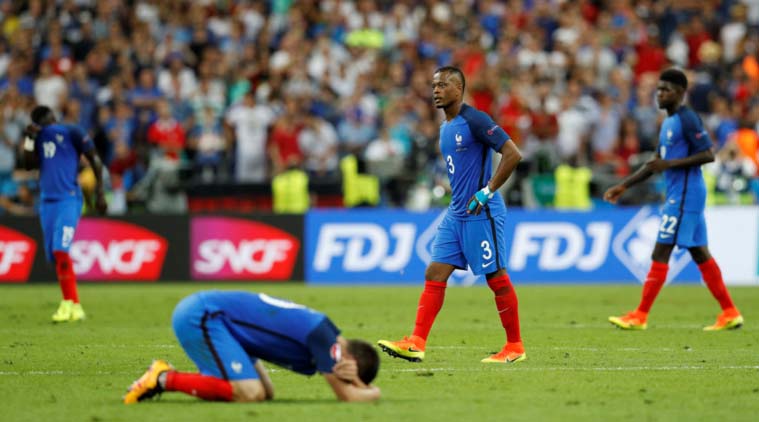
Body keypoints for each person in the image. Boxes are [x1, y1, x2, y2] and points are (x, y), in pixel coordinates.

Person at [377, 66, 525, 363]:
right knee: (434, 272)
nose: (436, 90)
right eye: (434, 85)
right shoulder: (446, 127)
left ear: (459, 89)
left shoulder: (475, 120)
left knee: (495, 275)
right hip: (457, 211)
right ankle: (416, 342)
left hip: (481, 210)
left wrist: (487, 190)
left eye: (443, 85)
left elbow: (513, 153)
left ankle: (515, 346)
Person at [604, 68, 743, 331]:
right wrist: (623, 185)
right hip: (682, 195)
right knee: (699, 251)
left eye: (665, 89)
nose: (659, 94)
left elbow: (708, 154)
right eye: (658, 89)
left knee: (661, 250)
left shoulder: (687, 119)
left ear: (679, 93)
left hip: (685, 196)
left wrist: (672, 163)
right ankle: (730, 311)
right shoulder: (668, 123)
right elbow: (655, 163)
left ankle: (640, 315)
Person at [123, 290, 381, 404]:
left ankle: (172, 379)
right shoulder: (329, 342)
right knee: (249, 392)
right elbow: (347, 398)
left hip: (226, 326)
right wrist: (368, 390)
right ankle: (163, 378)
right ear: (350, 361)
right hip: (204, 315)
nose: (342, 378)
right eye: (348, 376)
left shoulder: (324, 331)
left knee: (264, 393)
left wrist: (357, 383)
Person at [22, 105, 107, 322]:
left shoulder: (72, 131)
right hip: (47, 202)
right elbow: (29, 165)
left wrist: (99, 192)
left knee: (61, 249)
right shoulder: (37, 137)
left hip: (69, 199)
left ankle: (68, 302)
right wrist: (29, 139)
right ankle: (75, 306)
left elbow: (95, 159)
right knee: (54, 255)